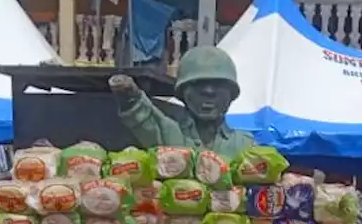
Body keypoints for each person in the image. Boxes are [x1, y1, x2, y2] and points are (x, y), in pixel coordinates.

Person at [110, 46, 256, 156]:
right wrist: (128, 95)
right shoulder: (171, 135)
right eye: (198, 85)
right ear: (183, 93)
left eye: (218, 85)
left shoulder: (243, 144)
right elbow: (146, 119)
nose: (209, 92)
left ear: (231, 94)